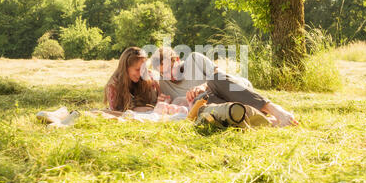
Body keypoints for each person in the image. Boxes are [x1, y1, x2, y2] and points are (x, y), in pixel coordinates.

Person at [151, 47, 299, 127]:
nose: (169, 76)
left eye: (170, 69)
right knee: (201, 102)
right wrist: (161, 99)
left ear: (177, 60)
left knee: (214, 80)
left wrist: (204, 85)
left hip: (234, 89)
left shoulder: (194, 59)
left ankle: (275, 110)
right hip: (219, 102)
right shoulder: (164, 84)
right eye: (163, 73)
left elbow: (219, 76)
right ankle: (263, 120)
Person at [104, 47, 159, 113]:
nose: (141, 74)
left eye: (143, 69)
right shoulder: (113, 86)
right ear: (125, 68)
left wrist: (159, 95)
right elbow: (115, 112)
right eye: (137, 69)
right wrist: (135, 109)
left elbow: (156, 104)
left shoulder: (149, 78)